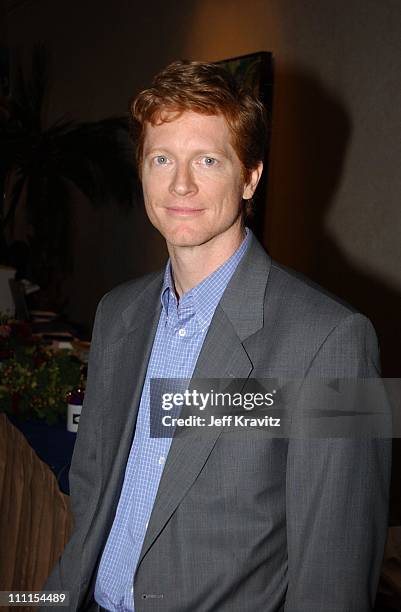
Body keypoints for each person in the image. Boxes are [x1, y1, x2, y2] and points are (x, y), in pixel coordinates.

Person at [44, 60, 391, 611]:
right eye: (162, 159)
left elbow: (335, 574)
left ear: (251, 175)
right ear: (141, 169)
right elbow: (92, 490)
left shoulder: (339, 340)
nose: (181, 183)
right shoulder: (117, 314)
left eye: (207, 159)